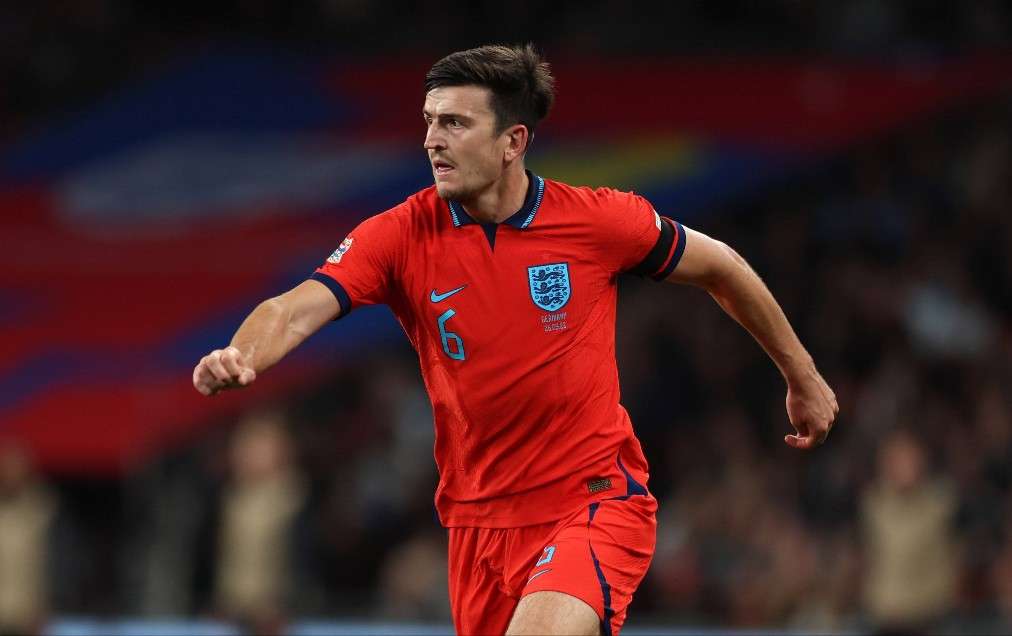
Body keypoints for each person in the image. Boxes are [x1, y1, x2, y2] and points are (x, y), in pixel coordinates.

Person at [192, 44, 838, 636]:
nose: (432, 140)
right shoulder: (400, 234)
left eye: (455, 123)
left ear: (513, 141)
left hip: (592, 501)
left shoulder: (596, 221)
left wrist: (801, 375)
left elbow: (722, 266)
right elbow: (293, 309)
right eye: (429, 121)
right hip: (477, 524)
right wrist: (241, 354)